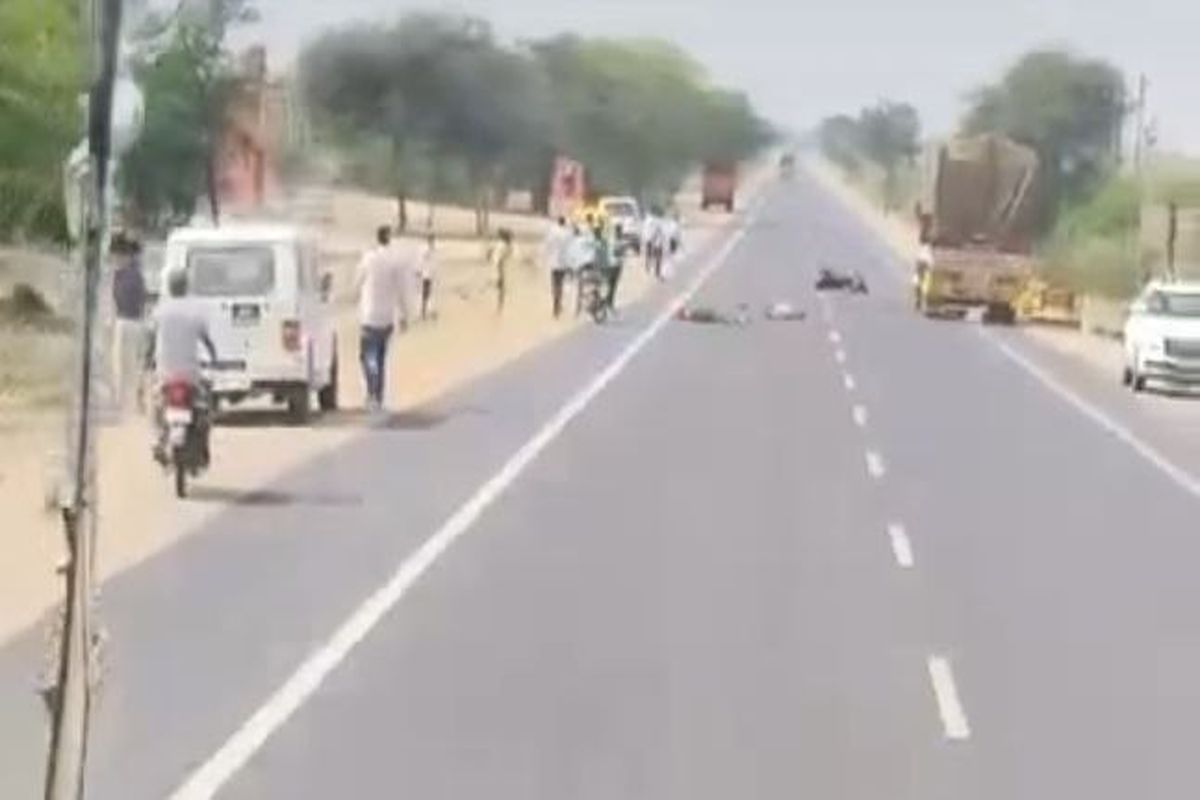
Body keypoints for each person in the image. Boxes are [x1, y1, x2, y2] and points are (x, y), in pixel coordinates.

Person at [149, 268, 217, 464]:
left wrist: (148, 360)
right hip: (190, 374)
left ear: (170, 287)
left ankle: (158, 440)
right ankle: (202, 446)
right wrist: (214, 358)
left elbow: (151, 339)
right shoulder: (195, 311)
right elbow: (206, 340)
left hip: (165, 373)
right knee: (204, 408)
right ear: (186, 287)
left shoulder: (160, 310)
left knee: (156, 406)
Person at [354, 225, 413, 411]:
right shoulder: (395, 261)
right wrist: (404, 315)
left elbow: (356, 283)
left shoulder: (368, 258)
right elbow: (402, 290)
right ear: (389, 238)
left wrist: (355, 300)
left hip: (369, 316)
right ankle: (378, 397)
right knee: (380, 358)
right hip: (387, 317)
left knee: (368, 357)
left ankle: (372, 393)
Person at [110, 234, 147, 413]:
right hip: (135, 320)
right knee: (135, 364)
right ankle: (134, 400)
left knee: (122, 364)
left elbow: (118, 298)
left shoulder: (123, 274)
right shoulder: (137, 274)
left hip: (125, 320)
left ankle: (122, 401)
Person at [542, 217, 572, 318]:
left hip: (554, 262)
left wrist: (544, 257)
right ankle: (558, 304)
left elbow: (547, 245)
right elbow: (570, 247)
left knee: (555, 284)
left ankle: (556, 305)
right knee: (561, 284)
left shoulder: (553, 232)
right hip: (564, 263)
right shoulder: (568, 233)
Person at [491, 228, 515, 314]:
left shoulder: (508, 245)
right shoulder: (501, 245)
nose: (511, 239)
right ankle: (499, 307)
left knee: (502, 289)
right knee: (501, 288)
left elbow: (513, 255)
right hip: (500, 267)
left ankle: (500, 307)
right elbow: (496, 258)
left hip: (503, 267)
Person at [416, 233, 438, 321]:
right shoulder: (426, 250)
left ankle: (426, 311)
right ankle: (423, 312)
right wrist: (419, 270)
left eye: (433, 240)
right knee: (425, 293)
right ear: (429, 240)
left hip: (430, 274)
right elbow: (422, 260)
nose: (433, 242)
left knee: (428, 293)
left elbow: (434, 262)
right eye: (431, 240)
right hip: (426, 274)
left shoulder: (433, 249)